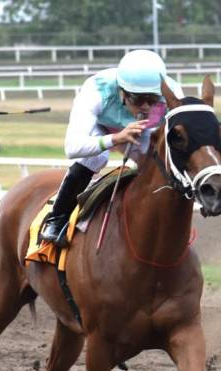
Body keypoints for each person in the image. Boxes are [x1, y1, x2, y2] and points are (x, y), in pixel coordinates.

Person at [40, 49, 184, 246]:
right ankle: (57, 219)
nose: (145, 107)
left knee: (155, 165)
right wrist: (115, 138)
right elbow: (72, 147)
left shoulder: (172, 95)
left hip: (144, 132)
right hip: (102, 127)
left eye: (152, 100)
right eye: (138, 99)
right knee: (95, 159)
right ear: (122, 91)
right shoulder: (97, 91)